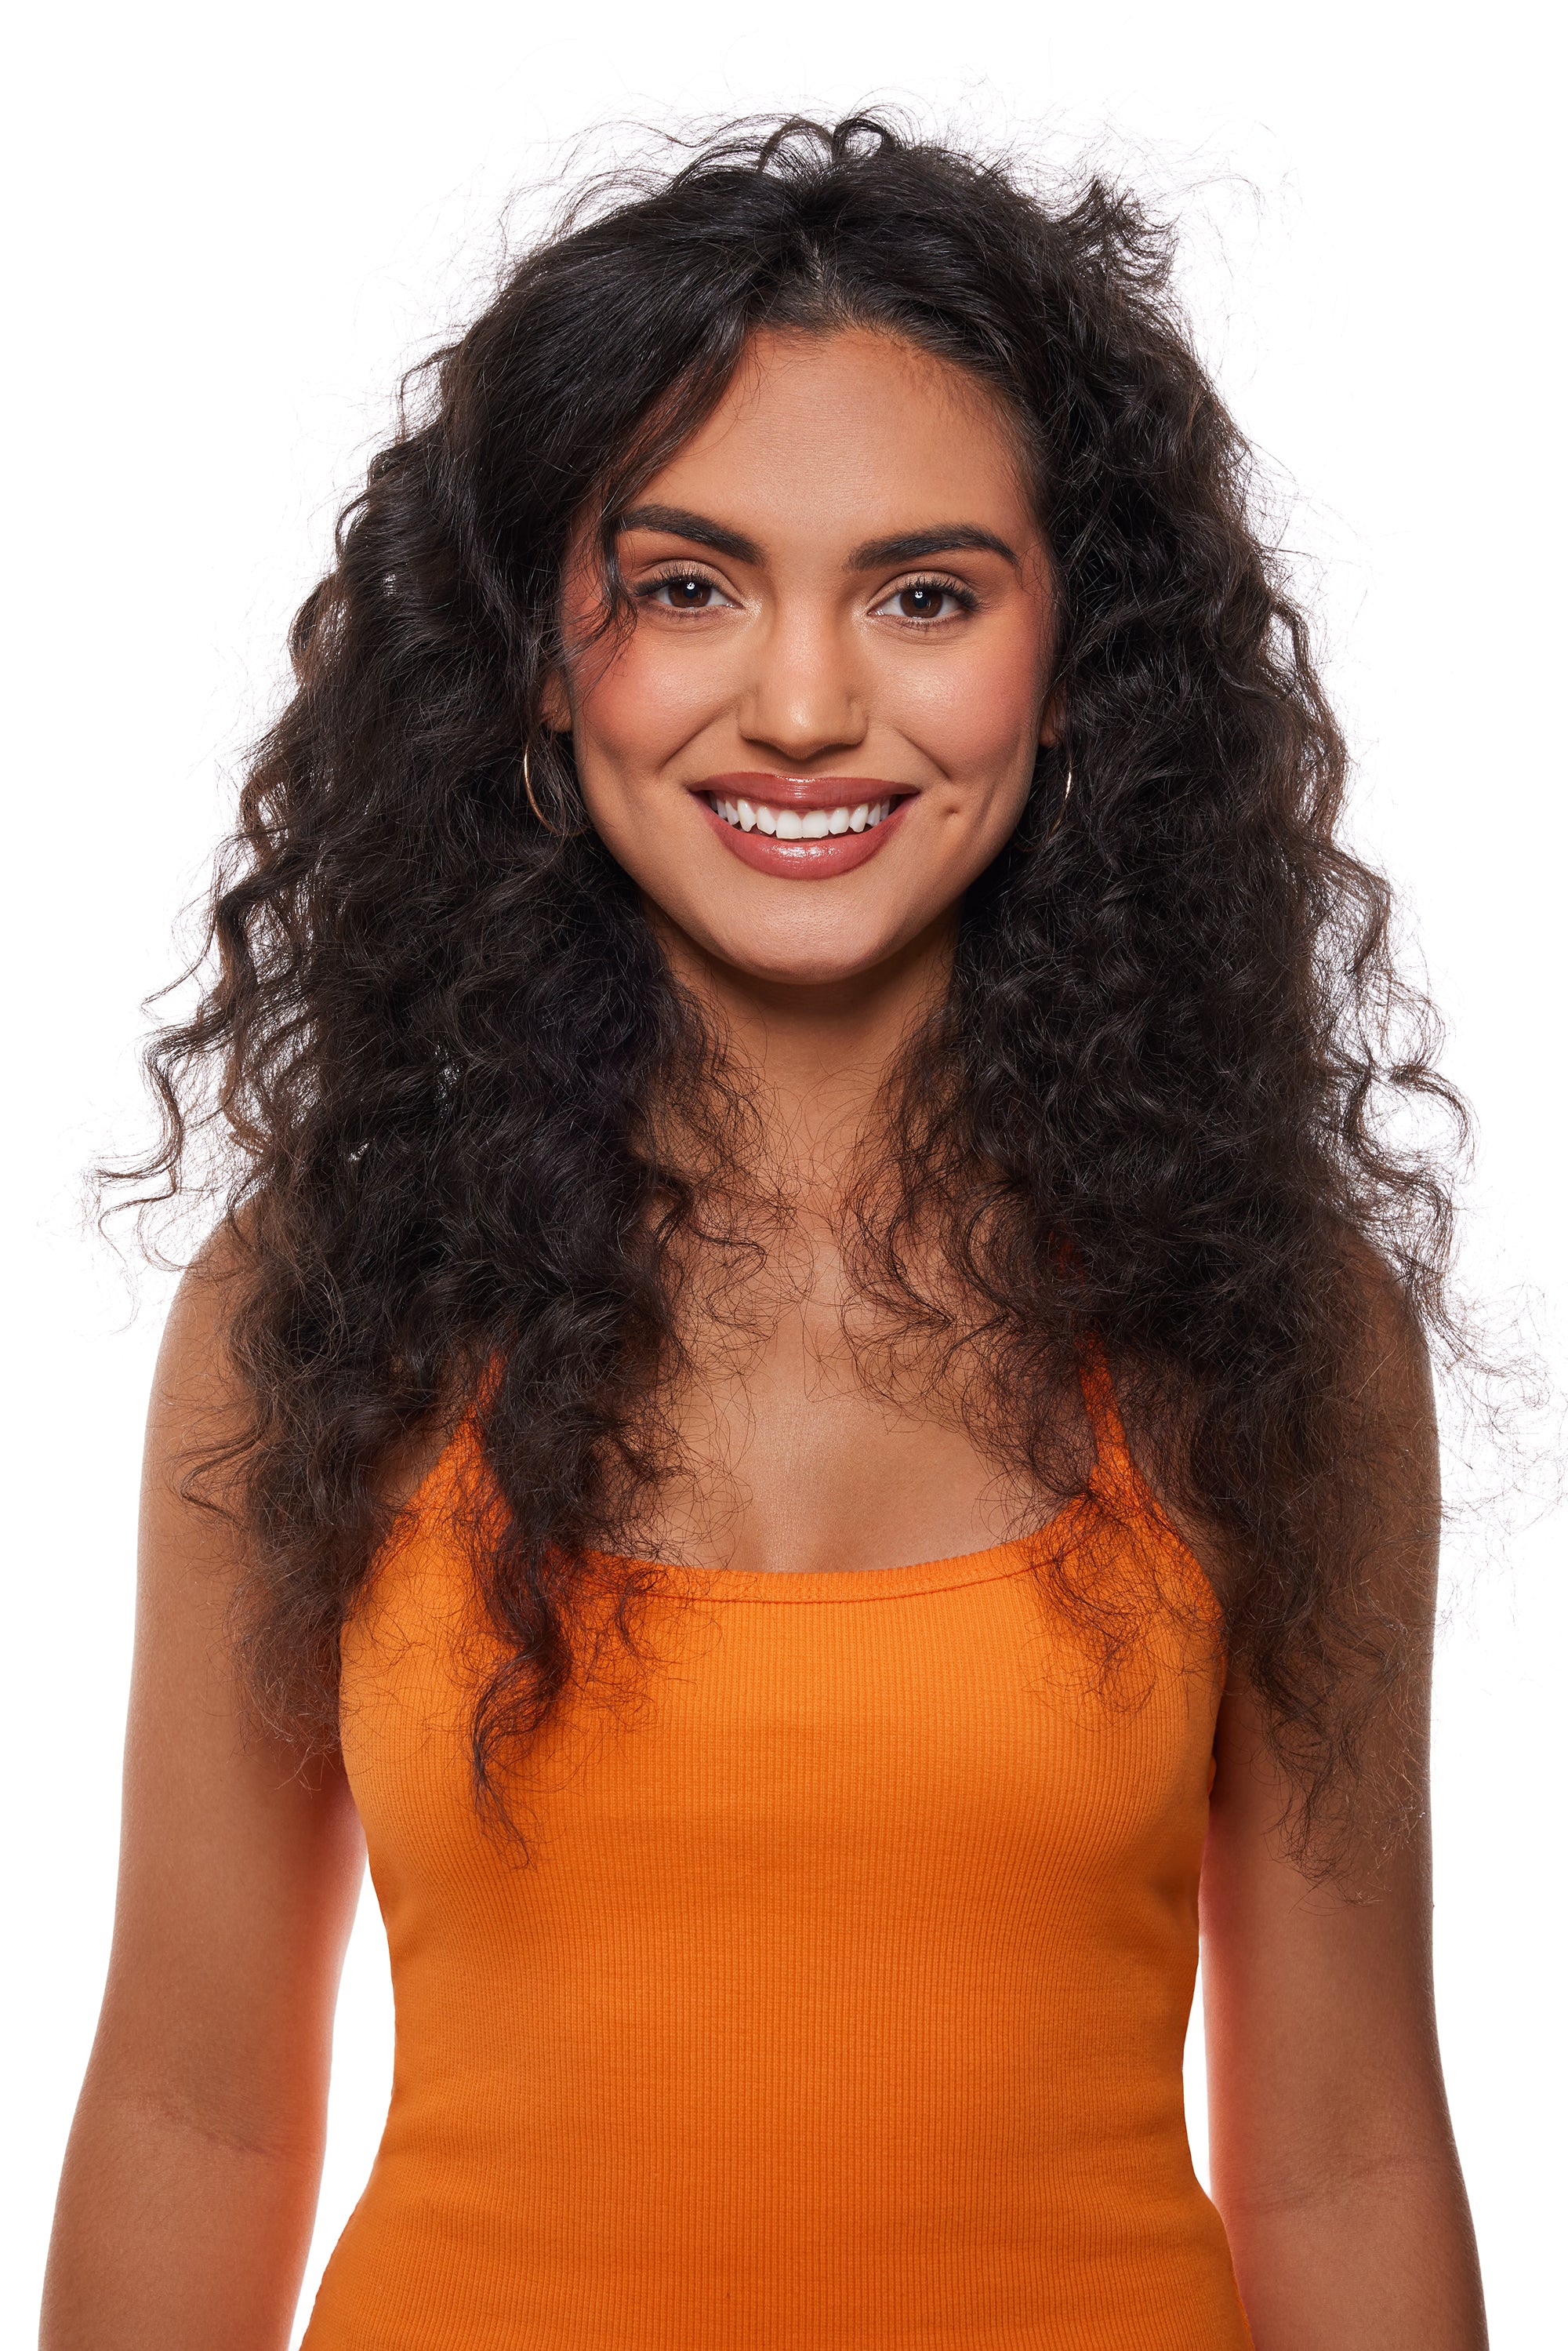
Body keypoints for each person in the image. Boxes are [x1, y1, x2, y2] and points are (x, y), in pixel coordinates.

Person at [41, 114, 1489, 2349]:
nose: (805, 704)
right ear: (540, 655)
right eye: (688, 586)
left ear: (1074, 664)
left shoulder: (1262, 1325)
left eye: (924, 596)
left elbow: (1347, 2151)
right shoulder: (324, 1304)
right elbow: (198, 2114)